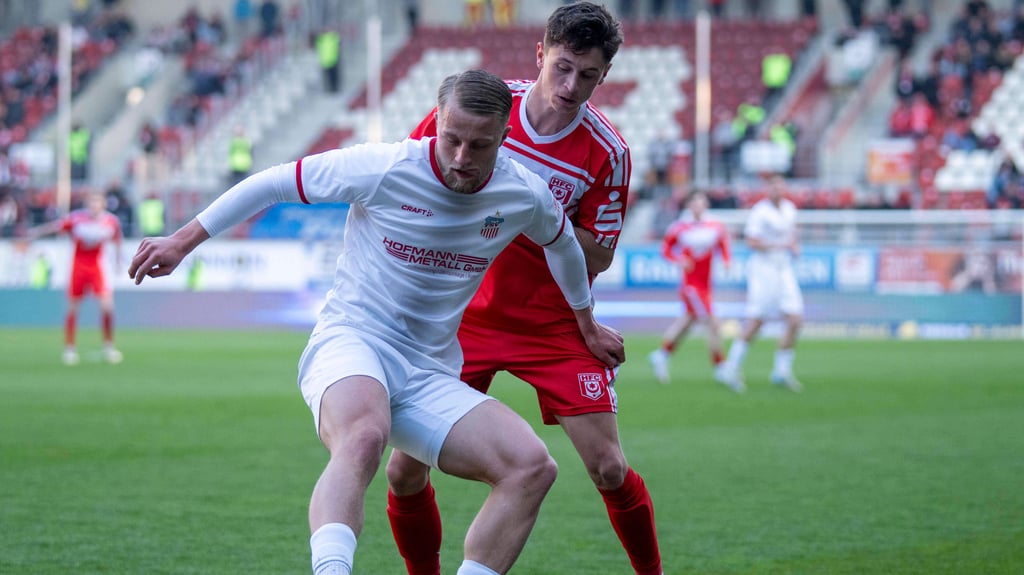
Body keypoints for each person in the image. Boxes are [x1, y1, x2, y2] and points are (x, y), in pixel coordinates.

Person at [127, 69, 625, 575]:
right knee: (364, 435)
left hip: (429, 371)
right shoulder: (384, 167)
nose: (461, 158)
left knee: (531, 468)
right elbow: (274, 182)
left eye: (479, 146)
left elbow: (563, 246)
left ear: (504, 137)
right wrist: (181, 241)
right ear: (438, 124)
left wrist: (584, 321)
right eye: (452, 139)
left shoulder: (524, 193)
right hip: (353, 341)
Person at [385, 4, 664, 575]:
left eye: (587, 75)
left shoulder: (607, 152)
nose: (570, 86)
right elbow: (411, 176)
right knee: (403, 471)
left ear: (604, 75)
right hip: (461, 318)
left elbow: (600, 255)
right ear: (540, 54)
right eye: (562, 67)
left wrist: (530, 215)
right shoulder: (483, 110)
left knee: (609, 468)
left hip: (554, 323)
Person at [715, 175, 804, 392]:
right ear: (767, 189)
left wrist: (792, 245)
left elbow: (791, 235)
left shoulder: (790, 209)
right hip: (764, 270)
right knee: (757, 321)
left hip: (784, 269)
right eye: (773, 186)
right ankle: (731, 367)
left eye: (780, 185)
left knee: (795, 319)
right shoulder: (760, 212)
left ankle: (781, 371)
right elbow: (752, 241)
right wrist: (780, 244)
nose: (777, 190)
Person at [24, 191, 123, 365]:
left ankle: (108, 346)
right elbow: (55, 227)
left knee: (107, 307)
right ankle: (70, 348)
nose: (94, 206)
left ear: (103, 205)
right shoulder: (76, 219)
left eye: (97, 203)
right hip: (78, 268)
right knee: (72, 308)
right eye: (91, 203)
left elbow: (117, 241)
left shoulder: (111, 221)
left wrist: (118, 261)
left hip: (97, 268)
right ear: (87, 204)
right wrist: (35, 233)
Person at [647, 191, 732, 386]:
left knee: (688, 321)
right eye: (694, 201)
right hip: (691, 285)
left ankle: (662, 354)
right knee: (712, 322)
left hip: (706, 283)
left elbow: (723, 245)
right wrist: (679, 261)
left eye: (701, 201)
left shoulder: (715, 225)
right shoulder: (679, 227)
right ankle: (721, 366)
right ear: (689, 205)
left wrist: (727, 261)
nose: (698, 205)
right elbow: (665, 249)